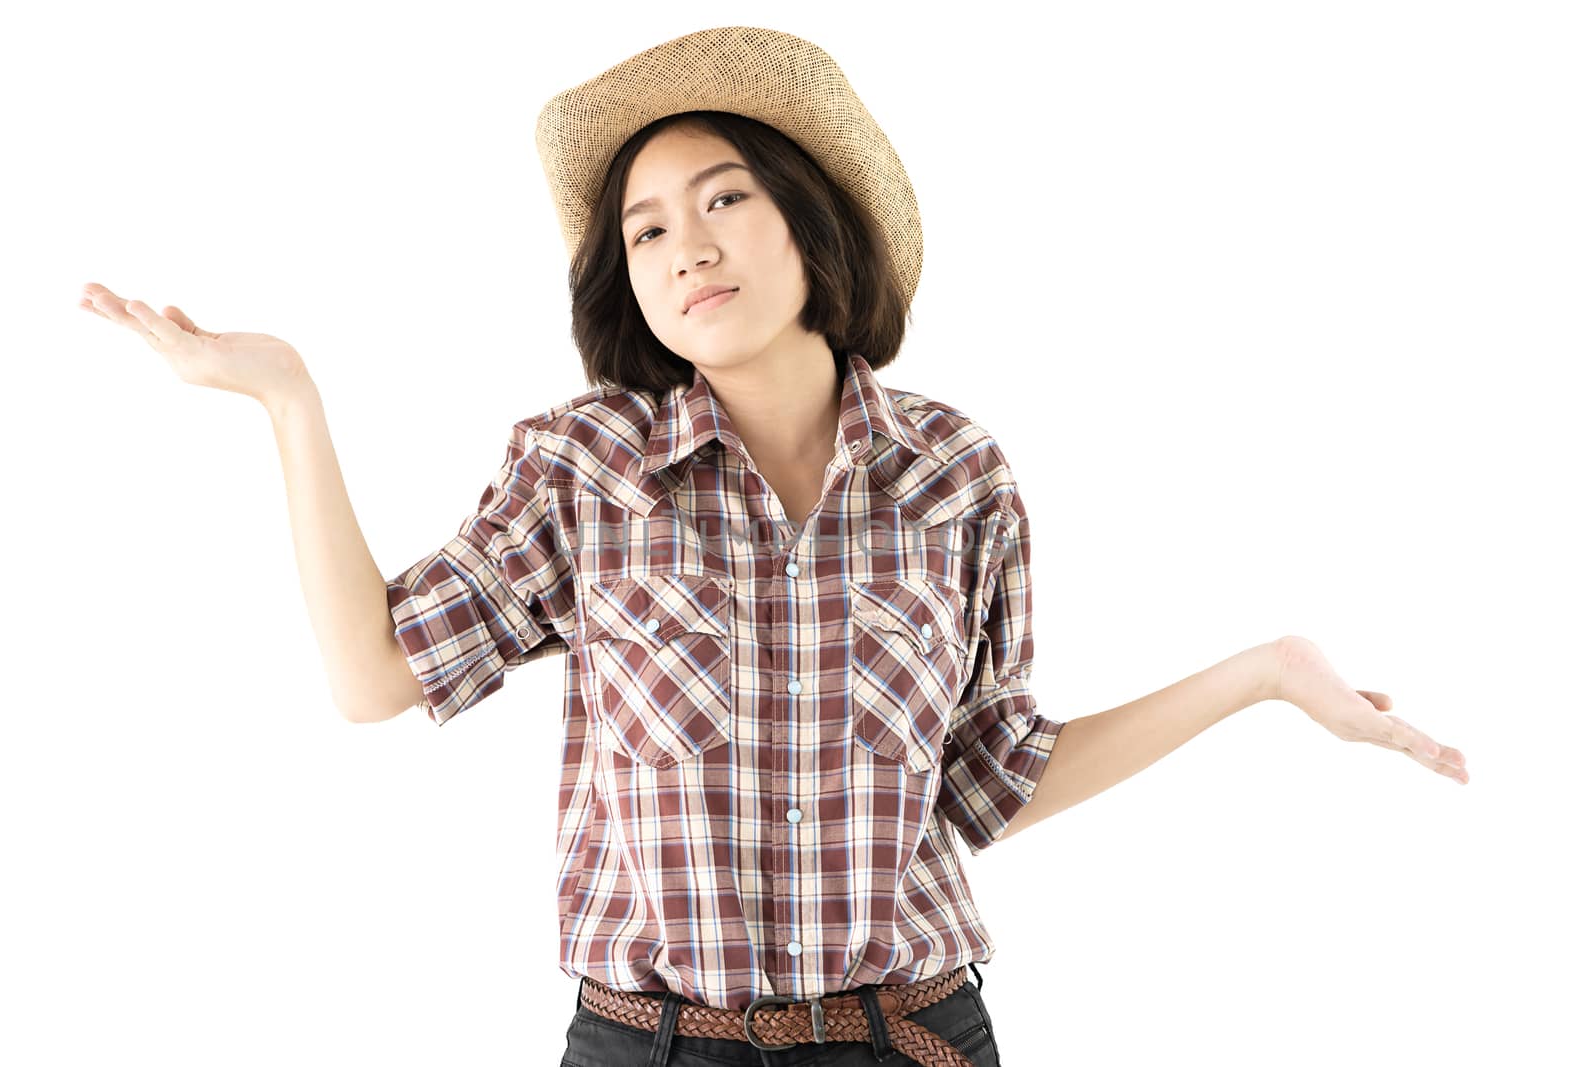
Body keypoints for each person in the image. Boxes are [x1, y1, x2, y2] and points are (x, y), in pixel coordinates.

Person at [78, 25, 1470, 1067]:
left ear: (811, 217)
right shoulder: (586, 469)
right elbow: (378, 676)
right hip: (651, 1045)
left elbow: (987, 784)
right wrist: (288, 399)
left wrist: (1267, 676)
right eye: (646, 227)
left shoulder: (957, 476)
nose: (688, 245)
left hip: (913, 1037)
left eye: (726, 198)